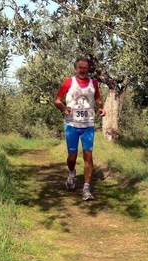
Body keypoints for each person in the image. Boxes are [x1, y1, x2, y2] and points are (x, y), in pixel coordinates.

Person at [53, 57, 106, 201]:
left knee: (88, 156)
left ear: (88, 69)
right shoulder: (69, 82)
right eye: (80, 67)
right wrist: (64, 107)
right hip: (72, 125)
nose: (82, 70)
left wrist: (101, 108)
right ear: (76, 69)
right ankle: (71, 173)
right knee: (72, 157)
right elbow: (57, 100)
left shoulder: (93, 83)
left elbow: (98, 99)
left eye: (85, 68)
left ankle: (86, 189)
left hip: (88, 124)